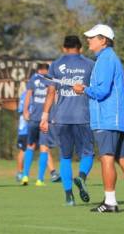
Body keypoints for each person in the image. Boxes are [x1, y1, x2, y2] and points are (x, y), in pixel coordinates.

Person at [73, 24, 124, 213]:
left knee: (107, 158)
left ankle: (110, 202)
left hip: (108, 118)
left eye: (93, 37)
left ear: (103, 40)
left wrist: (84, 89)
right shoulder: (107, 58)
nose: (89, 40)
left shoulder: (106, 59)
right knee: (123, 159)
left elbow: (102, 91)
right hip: (115, 118)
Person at [40, 35, 95, 206]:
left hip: (61, 118)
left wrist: (45, 115)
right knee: (88, 153)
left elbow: (51, 92)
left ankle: (69, 197)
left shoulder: (56, 65)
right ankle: (81, 177)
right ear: (80, 48)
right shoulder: (90, 65)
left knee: (65, 157)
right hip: (83, 117)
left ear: (64, 48)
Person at [21, 63, 60, 186]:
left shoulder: (33, 79)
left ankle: (25, 176)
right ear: (47, 70)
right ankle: (39, 179)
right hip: (45, 118)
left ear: (38, 70)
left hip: (33, 118)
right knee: (44, 147)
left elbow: (27, 95)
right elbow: (55, 96)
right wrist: (55, 114)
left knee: (30, 146)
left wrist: (25, 111)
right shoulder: (51, 80)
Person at [16, 90, 29, 181]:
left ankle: (21, 173)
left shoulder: (24, 94)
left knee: (23, 150)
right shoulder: (28, 94)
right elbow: (25, 112)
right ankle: (20, 173)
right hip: (26, 128)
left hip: (23, 129)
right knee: (23, 150)